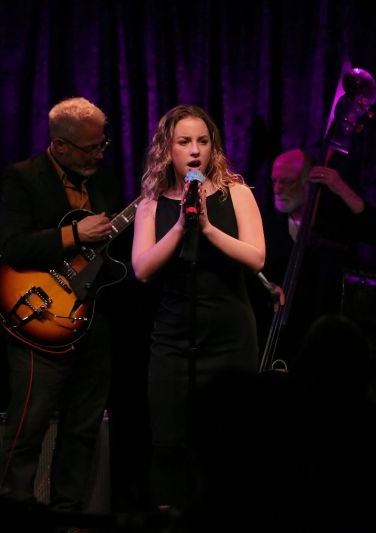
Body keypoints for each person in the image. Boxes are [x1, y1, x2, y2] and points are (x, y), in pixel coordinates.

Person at [131, 104, 266, 512]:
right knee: (169, 448)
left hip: (229, 338)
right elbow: (142, 269)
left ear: (213, 147)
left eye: (203, 141)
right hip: (173, 341)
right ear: (167, 149)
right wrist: (180, 225)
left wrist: (206, 228)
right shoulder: (151, 203)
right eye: (184, 142)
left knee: (232, 449)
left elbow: (256, 257)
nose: (195, 150)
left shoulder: (236, 193)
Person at [0, 96, 126, 514]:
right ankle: (14, 511)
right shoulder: (22, 177)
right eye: (90, 148)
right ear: (59, 145)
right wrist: (75, 235)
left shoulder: (105, 182)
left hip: (92, 317)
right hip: (40, 316)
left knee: (83, 427)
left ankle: (69, 514)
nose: (99, 154)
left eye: (102, 144)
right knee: (28, 427)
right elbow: (14, 246)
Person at [255, 148, 376, 365]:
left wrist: (341, 188)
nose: (277, 189)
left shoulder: (333, 222)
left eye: (287, 181)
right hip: (276, 335)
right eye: (274, 181)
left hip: (328, 339)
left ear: (309, 183)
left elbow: (371, 230)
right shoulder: (267, 226)